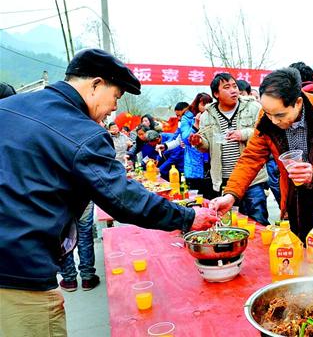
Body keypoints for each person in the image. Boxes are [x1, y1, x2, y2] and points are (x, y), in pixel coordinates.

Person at [0, 48, 218, 337]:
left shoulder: (10, 107)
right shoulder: (81, 131)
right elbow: (123, 199)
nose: (114, 108)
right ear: (95, 84)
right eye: (115, 96)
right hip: (18, 268)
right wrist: (188, 218)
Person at [210, 68, 313, 240]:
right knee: (299, 248)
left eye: (280, 115)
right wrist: (230, 194)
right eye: (268, 114)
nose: (273, 121)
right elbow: (252, 157)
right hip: (295, 197)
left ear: (298, 102)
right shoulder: (267, 115)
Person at [189, 73, 270, 225]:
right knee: (231, 222)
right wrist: (199, 142)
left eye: (234, 86)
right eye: (227, 87)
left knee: (257, 221)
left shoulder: (253, 108)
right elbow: (207, 146)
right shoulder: (207, 116)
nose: (234, 90)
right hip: (224, 178)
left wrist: (243, 134)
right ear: (216, 94)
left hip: (252, 178)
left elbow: (266, 133)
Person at [58, 202, 99, 292]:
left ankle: (69, 280)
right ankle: (88, 278)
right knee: (85, 235)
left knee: (64, 235)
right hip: (83, 194)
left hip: (59, 195)